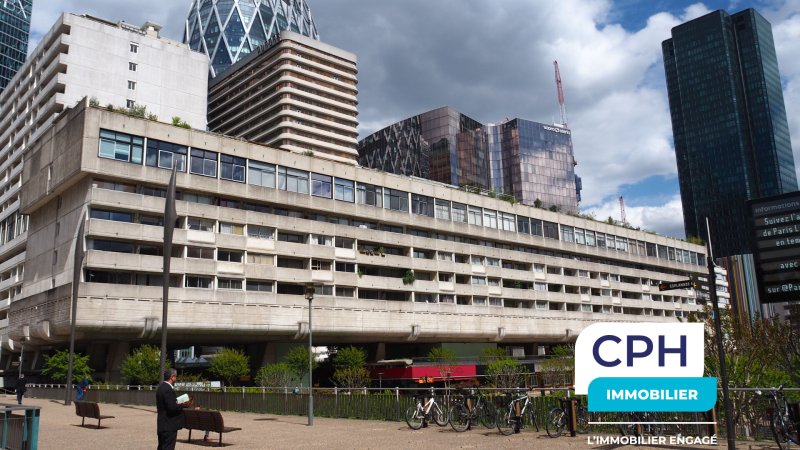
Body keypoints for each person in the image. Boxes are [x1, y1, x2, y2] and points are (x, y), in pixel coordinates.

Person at [156, 369, 190, 450]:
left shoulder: (161, 388)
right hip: (169, 425)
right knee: (168, 447)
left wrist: (176, 402)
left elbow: (167, 404)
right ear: (172, 377)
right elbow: (171, 408)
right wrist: (183, 405)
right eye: (176, 376)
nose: (176, 378)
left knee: (161, 447)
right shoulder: (168, 389)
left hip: (162, 424)